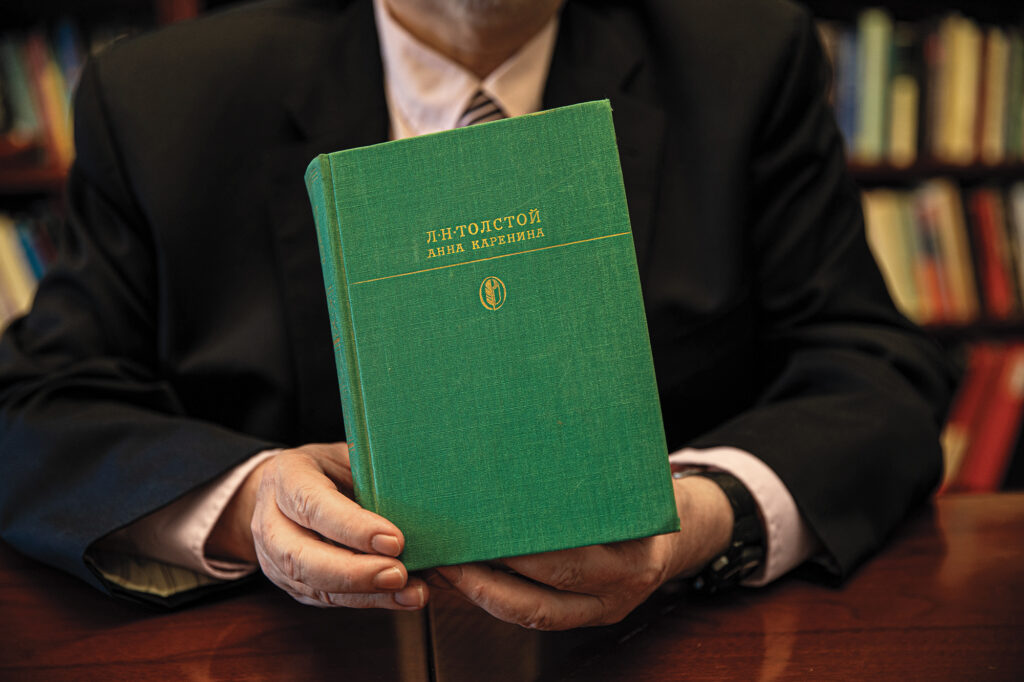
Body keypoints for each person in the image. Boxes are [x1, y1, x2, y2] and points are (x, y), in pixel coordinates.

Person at [0, 0, 953, 629]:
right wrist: (251, 506)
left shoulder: (748, 57)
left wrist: (700, 518)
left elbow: (874, 374)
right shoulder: (161, 96)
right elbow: (34, 410)